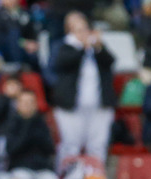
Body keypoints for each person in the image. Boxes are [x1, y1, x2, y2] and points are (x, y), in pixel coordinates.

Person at [50, 12, 116, 167]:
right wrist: (83, 47)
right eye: (78, 30)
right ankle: (68, 177)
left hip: (98, 104)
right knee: (71, 144)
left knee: (97, 145)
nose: (83, 34)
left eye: (85, 29)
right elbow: (62, 64)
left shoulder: (96, 48)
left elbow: (111, 62)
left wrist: (98, 46)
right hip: (71, 105)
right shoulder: (63, 47)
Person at [0, 90, 59, 179]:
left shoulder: (42, 123)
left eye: (30, 102)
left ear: (35, 104)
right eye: (24, 102)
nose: (27, 105)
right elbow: (11, 150)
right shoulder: (12, 123)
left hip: (42, 168)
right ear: (18, 105)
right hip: (20, 167)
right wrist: (27, 132)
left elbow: (50, 148)